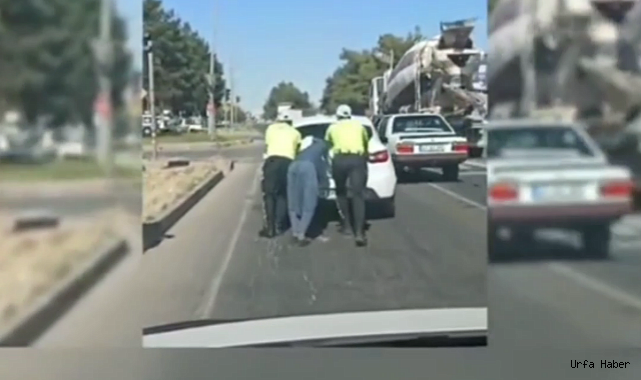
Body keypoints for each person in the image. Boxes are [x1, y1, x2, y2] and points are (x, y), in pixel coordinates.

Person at [324, 104, 370, 246]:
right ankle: (359, 232)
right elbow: (365, 143)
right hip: (357, 159)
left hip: (340, 160)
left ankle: (347, 226)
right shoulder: (359, 126)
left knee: (341, 192)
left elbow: (327, 143)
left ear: (337, 116)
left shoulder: (332, 127)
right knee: (358, 195)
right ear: (350, 115)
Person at [258, 113, 301, 238]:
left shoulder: (271, 128)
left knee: (270, 195)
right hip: (288, 162)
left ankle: (270, 228)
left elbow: (267, 145)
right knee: (283, 194)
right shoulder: (295, 133)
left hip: (272, 161)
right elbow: (297, 149)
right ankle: (279, 224)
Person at [287, 135, 330, 246]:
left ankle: (295, 232)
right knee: (309, 203)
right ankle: (301, 235)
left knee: (294, 201)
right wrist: (324, 184)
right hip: (308, 167)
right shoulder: (324, 146)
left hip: (293, 165)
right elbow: (322, 166)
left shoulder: (306, 146)